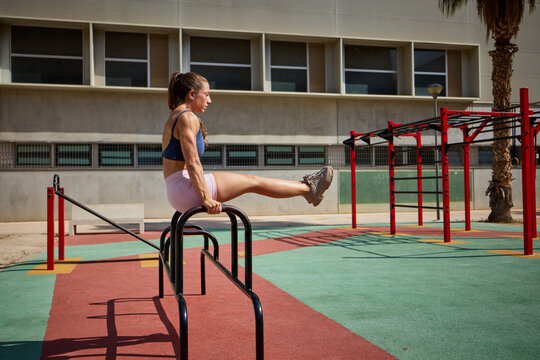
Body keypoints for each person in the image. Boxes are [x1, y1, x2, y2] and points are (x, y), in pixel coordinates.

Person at [162, 71, 333, 215]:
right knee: (253, 182)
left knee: (252, 182)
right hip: (185, 189)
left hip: (177, 190)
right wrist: (206, 197)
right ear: (192, 94)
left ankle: (307, 188)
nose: (209, 100)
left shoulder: (175, 116)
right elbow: (192, 162)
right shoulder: (186, 117)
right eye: (206, 94)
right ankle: (309, 189)